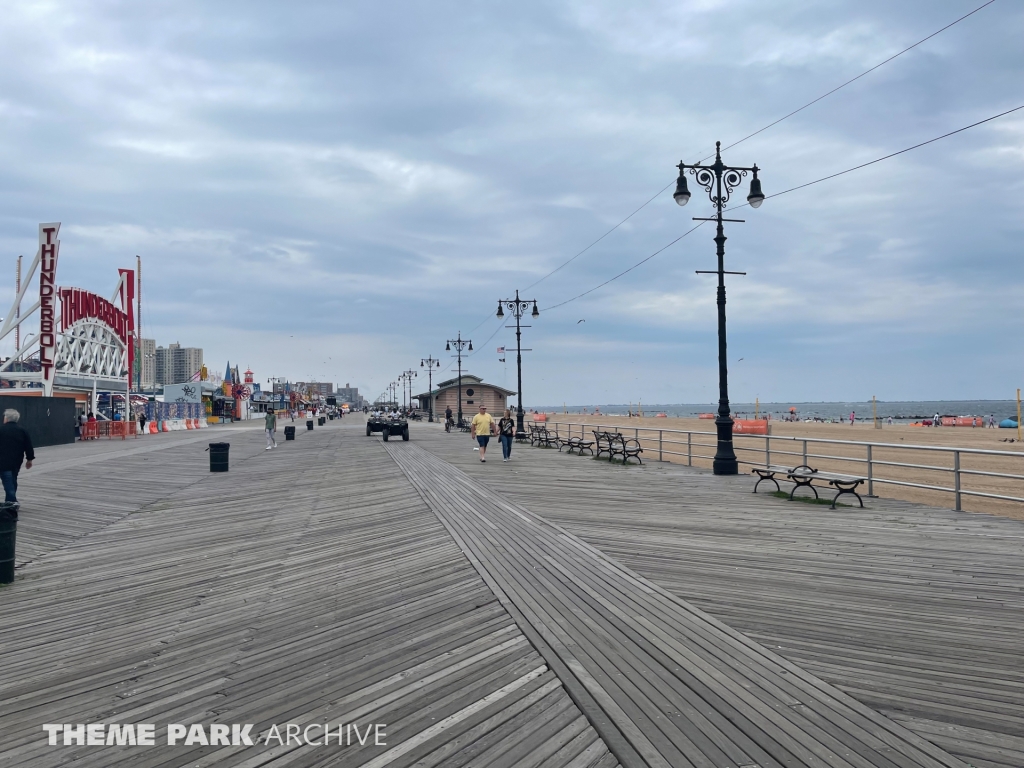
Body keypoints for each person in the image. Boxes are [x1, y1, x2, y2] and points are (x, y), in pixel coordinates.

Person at [0, 409, 34, 509]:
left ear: (6, 418)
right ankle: (10, 501)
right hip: (16, 461)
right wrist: (29, 459)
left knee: (8, 481)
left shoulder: (1, 430)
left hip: (3, 461)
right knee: (12, 479)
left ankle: (11, 501)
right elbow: (28, 446)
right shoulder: (22, 431)